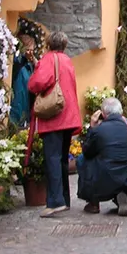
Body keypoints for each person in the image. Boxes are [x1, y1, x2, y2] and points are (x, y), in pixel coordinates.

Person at [28, 32, 83, 218]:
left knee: (52, 158)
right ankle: (64, 199)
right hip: (68, 115)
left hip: (54, 117)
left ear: (49, 44)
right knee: (61, 160)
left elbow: (37, 83)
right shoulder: (67, 60)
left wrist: (35, 69)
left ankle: (55, 201)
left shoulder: (48, 59)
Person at [77, 98, 127, 216]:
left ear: (103, 114)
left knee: (81, 159)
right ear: (121, 111)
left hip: (105, 178)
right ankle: (124, 194)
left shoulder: (99, 130)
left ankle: (93, 202)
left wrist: (92, 127)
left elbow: (87, 152)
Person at [10, 34, 37, 128]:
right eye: (28, 50)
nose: (30, 53)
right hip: (17, 105)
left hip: (26, 105)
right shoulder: (18, 63)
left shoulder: (29, 66)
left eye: (32, 50)